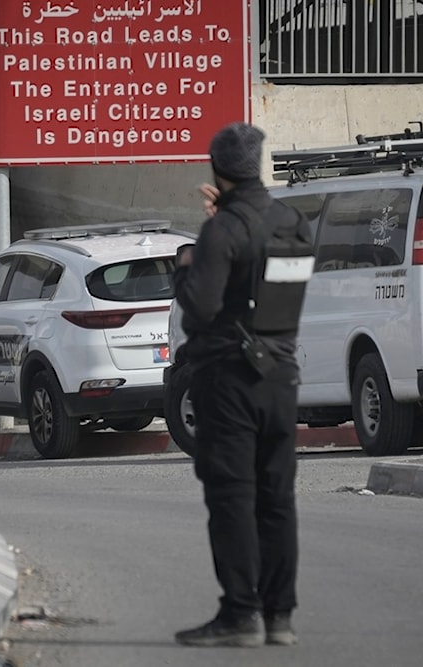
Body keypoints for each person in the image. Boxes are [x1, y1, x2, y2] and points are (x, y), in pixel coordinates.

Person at [171, 123, 313, 648]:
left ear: (216, 170)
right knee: (277, 498)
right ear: (255, 166)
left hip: (229, 379)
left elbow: (202, 307)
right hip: (280, 374)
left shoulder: (221, 230)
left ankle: (239, 615)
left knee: (232, 495)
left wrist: (190, 263)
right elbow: (268, 288)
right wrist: (222, 229)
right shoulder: (291, 220)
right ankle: (280, 617)